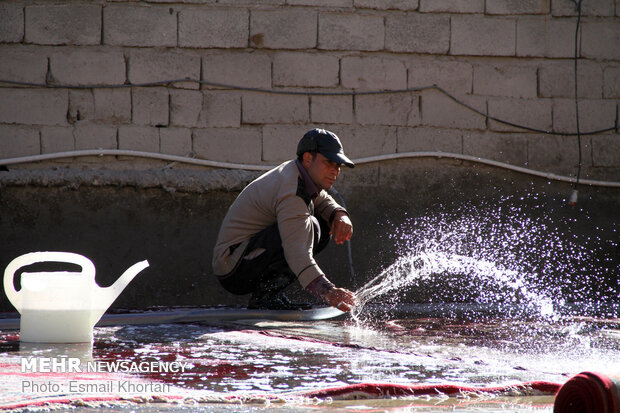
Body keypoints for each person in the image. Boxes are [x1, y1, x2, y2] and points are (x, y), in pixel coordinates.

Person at [212, 128, 358, 312]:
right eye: (329, 162)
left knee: (319, 224)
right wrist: (329, 292)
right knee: (310, 227)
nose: (335, 171)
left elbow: (321, 198)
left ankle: (270, 295)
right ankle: (265, 298)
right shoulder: (291, 189)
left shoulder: (298, 173)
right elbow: (297, 252)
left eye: (338, 165)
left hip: (246, 257)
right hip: (233, 268)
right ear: (307, 158)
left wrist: (339, 214)